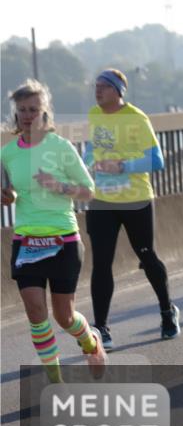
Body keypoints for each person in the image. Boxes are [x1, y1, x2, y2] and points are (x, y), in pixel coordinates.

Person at [2, 80, 106, 384]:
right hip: (26, 240)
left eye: (33, 109)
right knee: (36, 311)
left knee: (64, 316)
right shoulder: (8, 153)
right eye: (22, 110)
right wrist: (9, 197)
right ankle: (57, 383)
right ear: (15, 112)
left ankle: (90, 342)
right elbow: (16, 192)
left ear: (44, 111)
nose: (27, 115)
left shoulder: (60, 147)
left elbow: (88, 191)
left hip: (63, 239)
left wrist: (58, 185)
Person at [84, 68, 177, 349]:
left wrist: (123, 166)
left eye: (104, 86)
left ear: (118, 91)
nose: (98, 91)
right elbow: (90, 149)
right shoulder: (94, 116)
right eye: (96, 86)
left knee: (146, 256)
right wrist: (89, 163)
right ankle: (101, 328)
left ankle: (166, 311)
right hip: (102, 200)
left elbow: (157, 160)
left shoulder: (137, 118)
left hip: (135, 199)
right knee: (101, 263)